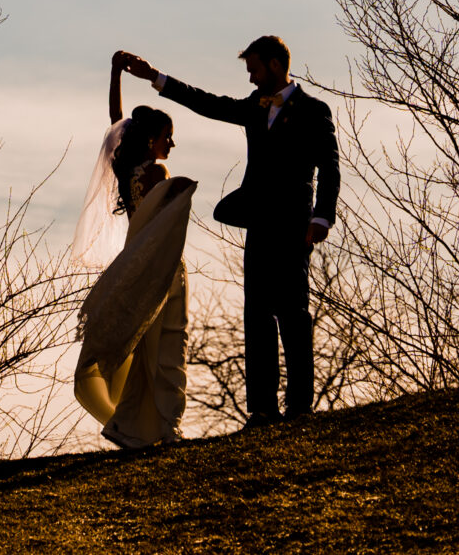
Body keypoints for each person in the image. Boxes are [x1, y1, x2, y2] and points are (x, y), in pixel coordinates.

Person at [115, 37, 338, 426]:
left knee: (294, 313)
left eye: (254, 69)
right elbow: (209, 103)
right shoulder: (254, 108)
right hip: (259, 225)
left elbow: (330, 167)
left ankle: (300, 406)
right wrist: (155, 77)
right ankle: (263, 409)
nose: (250, 78)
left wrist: (321, 218)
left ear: (273, 64)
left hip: (294, 227)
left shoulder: (314, 111)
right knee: (257, 314)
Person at [70, 55, 194, 447]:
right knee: (169, 341)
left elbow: (115, 120)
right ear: (151, 138)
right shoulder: (158, 174)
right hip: (161, 262)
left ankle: (132, 424)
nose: (171, 143)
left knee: (144, 346)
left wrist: (114, 74)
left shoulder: (125, 172)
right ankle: (165, 424)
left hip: (133, 257)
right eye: (166, 136)